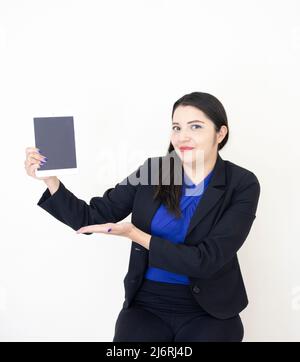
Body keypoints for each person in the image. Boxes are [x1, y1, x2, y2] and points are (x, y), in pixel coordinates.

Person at [24, 91, 260, 342]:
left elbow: (206, 260)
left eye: (196, 126)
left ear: (220, 133)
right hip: (148, 305)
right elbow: (92, 216)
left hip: (210, 310)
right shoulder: (153, 171)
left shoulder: (242, 183)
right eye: (176, 127)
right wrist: (51, 180)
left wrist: (136, 235)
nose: (183, 137)